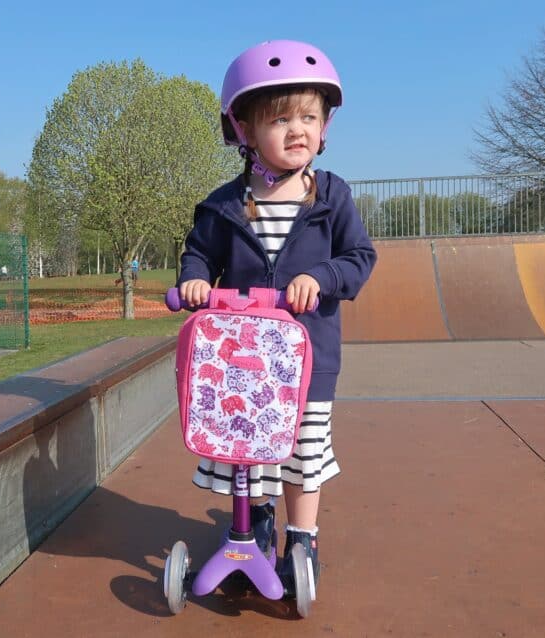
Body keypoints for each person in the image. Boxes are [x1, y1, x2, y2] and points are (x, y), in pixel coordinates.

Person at [177, 40, 376, 594]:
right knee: (251, 450)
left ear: (325, 126)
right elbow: (199, 253)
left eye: (309, 117)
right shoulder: (222, 205)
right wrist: (193, 279)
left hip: (308, 357)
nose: (298, 130)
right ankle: (256, 522)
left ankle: (302, 536)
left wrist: (323, 278)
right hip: (241, 359)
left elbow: (360, 258)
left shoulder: (331, 197)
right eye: (281, 118)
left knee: (303, 451)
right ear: (244, 130)